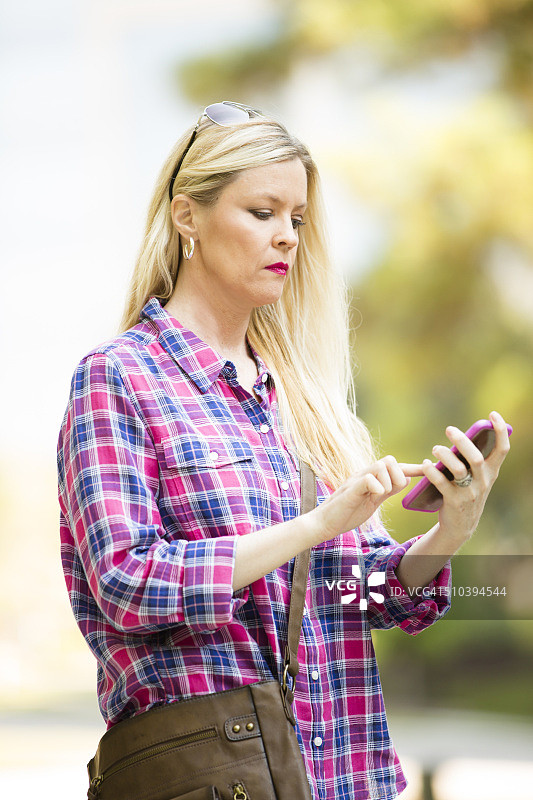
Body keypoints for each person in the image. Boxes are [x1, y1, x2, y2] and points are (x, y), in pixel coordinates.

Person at [57, 101, 511, 800]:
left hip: (346, 778)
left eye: (296, 219)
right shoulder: (118, 377)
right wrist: (316, 525)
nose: (287, 238)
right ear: (187, 218)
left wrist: (450, 530)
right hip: (215, 780)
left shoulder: (304, 398)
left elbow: (357, 595)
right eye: (262, 212)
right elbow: (125, 582)